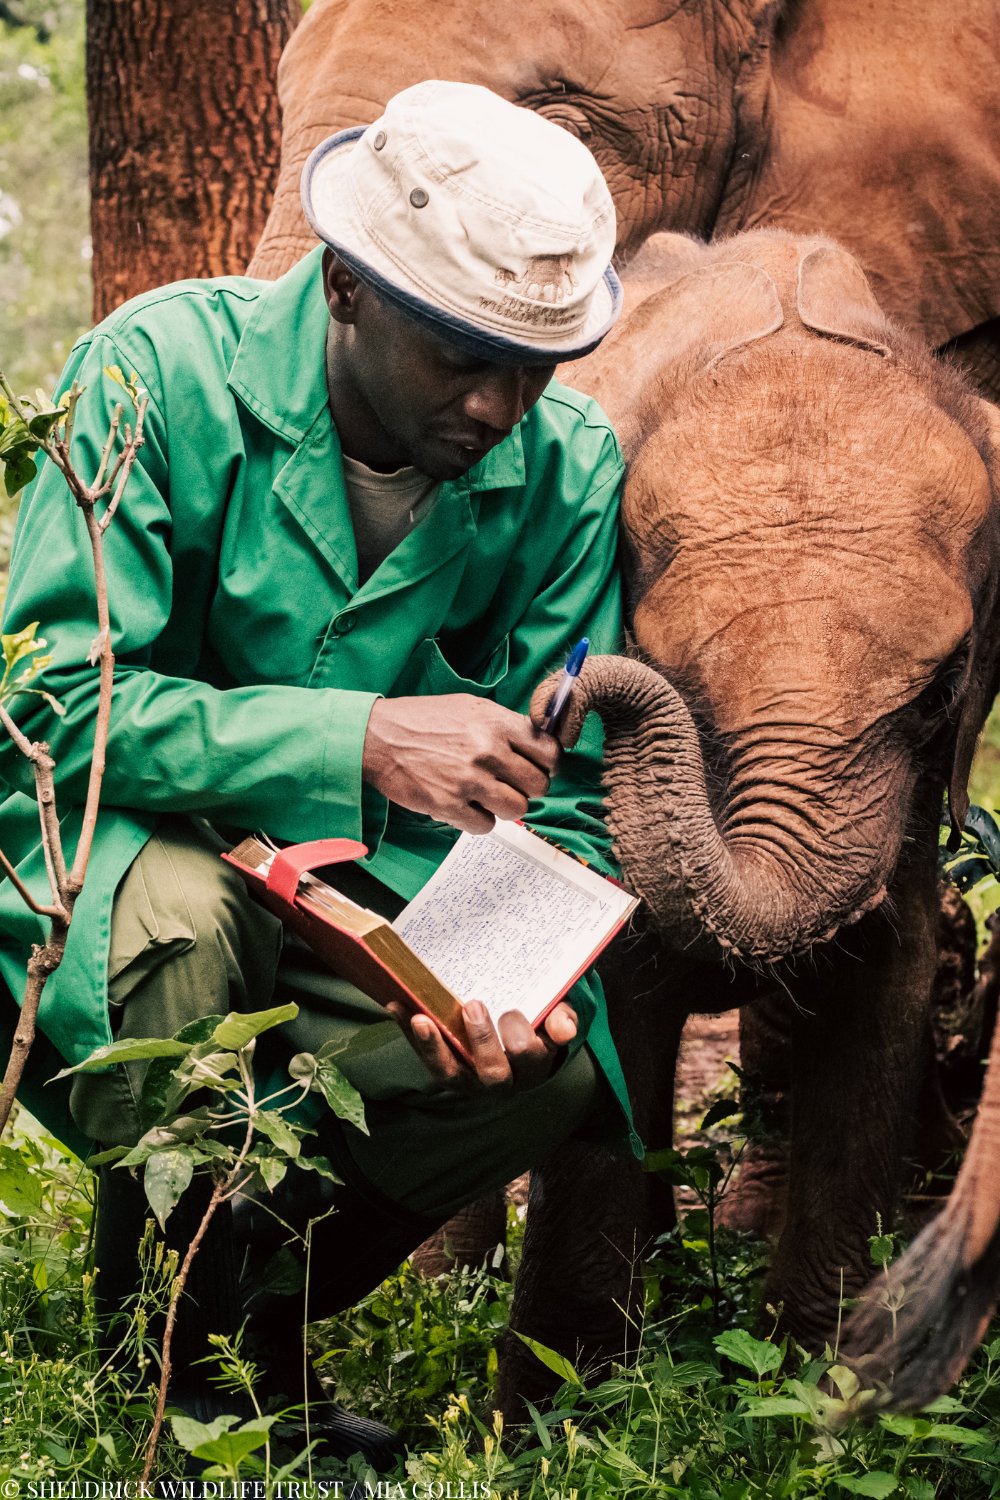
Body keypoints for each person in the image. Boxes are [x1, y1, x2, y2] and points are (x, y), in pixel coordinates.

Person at [0, 81, 637, 1462]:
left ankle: (206, 1310)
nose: (498, 403)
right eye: (460, 356)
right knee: (182, 928)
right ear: (344, 288)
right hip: (120, 877)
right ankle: (215, 1399)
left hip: (367, 927)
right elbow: (54, 703)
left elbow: (572, 802)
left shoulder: (565, 471)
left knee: (545, 1083)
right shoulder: (153, 374)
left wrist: (498, 976)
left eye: (537, 366)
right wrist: (355, 738)